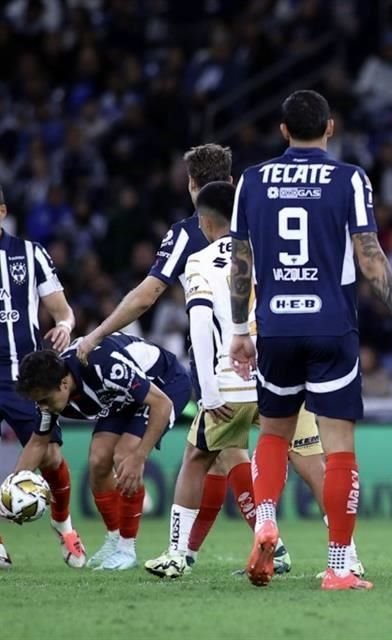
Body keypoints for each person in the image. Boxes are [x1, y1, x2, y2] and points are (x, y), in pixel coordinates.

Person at [230, 89, 392, 590]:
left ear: (282, 130)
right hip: (332, 326)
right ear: (330, 128)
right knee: (339, 450)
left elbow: (240, 263)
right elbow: (371, 256)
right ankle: (338, 566)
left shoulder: (251, 180)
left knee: (272, 436)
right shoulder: (349, 178)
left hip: (275, 326)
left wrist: (238, 331)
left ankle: (266, 518)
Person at [142, 182, 361, 578]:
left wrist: (207, 391)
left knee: (196, 458)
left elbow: (200, 324)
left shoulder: (200, 261)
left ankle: (177, 553)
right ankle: (348, 556)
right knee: (314, 467)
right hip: (282, 376)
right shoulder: (267, 252)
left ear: (206, 221)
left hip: (229, 383)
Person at [13, 334, 192, 570]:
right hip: (121, 397)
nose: (42, 407)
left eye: (45, 400)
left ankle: (127, 550)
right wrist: (14, 487)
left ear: (64, 384)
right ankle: (115, 539)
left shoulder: (103, 365)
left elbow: (162, 404)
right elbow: (38, 443)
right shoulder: (52, 391)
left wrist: (140, 456)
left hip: (164, 385)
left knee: (125, 456)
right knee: (98, 460)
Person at [0, 185, 86, 570]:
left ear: (2, 211)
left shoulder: (30, 254)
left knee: (50, 454)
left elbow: (62, 310)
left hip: (23, 377)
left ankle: (63, 526)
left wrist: (65, 326)